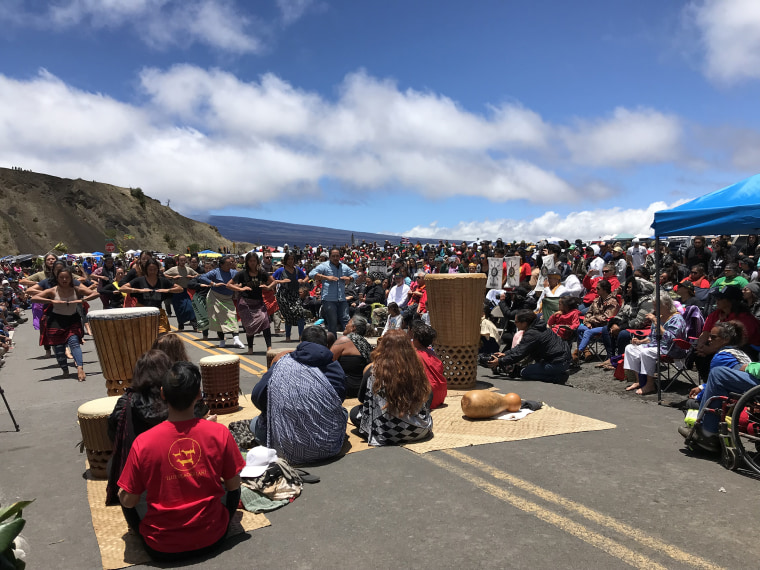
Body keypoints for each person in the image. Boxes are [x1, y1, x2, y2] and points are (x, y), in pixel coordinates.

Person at [118, 362, 244, 561]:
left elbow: (129, 500)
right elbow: (233, 485)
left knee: (125, 493)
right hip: (213, 538)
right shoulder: (219, 433)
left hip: (161, 547)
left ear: (163, 394)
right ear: (199, 395)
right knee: (234, 478)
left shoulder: (143, 442)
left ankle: (142, 533)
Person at [106, 349, 210, 505]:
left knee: (113, 466)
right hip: (185, 468)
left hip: (143, 479)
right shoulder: (177, 400)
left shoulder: (126, 402)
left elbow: (113, 433)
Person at [250, 326, 347, 463]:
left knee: (254, 423)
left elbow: (257, 396)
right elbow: (339, 399)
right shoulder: (334, 367)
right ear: (326, 345)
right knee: (343, 413)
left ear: (301, 342)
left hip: (286, 450)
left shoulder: (282, 364)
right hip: (328, 447)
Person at [350, 329, 433, 446]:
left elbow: (362, 398)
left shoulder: (373, 370)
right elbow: (428, 394)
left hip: (386, 431)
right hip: (420, 429)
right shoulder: (416, 367)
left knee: (354, 412)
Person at [30, 267, 98, 381]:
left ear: (71, 278)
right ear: (57, 279)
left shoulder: (76, 289)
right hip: (55, 321)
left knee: (74, 342)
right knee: (59, 348)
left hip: (72, 320)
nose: (64, 279)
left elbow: (95, 294)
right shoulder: (52, 290)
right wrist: (51, 301)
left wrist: (81, 300)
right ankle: (65, 370)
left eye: (67, 277)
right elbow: (34, 298)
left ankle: (80, 367)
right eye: (61, 277)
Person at [623, 294, 688, 395]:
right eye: (654, 305)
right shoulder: (658, 317)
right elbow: (651, 338)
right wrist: (640, 342)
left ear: (666, 305)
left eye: (656, 306)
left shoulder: (677, 319)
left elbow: (672, 339)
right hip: (656, 346)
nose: (654, 308)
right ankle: (639, 381)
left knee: (646, 352)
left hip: (672, 349)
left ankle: (650, 384)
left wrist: (657, 323)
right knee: (630, 348)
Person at [487, 310, 572, 384]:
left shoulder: (532, 333)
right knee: (528, 369)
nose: (515, 323)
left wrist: (500, 361)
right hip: (561, 359)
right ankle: (555, 372)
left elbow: (520, 353)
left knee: (525, 373)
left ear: (524, 323)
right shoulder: (539, 326)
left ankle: (558, 378)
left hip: (557, 363)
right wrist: (505, 354)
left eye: (516, 322)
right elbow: (520, 347)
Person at [227, 252, 275, 354]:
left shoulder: (262, 273)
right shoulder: (242, 274)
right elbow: (229, 285)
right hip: (245, 303)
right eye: (250, 261)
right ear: (247, 262)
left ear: (257, 262)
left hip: (259, 303)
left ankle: (269, 347)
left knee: (266, 321)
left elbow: (273, 282)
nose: (252, 263)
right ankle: (250, 348)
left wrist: (268, 287)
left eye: (254, 261)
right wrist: (240, 288)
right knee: (249, 325)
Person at [119, 259, 182, 333]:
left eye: (155, 269)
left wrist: (167, 290)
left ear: (158, 270)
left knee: (162, 334)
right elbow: (122, 288)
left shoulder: (162, 281)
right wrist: (138, 290)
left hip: (157, 312)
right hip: (142, 312)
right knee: (144, 335)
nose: (152, 272)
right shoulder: (139, 280)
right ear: (146, 270)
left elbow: (180, 288)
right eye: (150, 269)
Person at [197, 255, 244, 348]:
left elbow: (242, 279)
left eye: (230, 263)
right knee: (217, 319)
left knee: (232, 316)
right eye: (227, 264)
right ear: (221, 265)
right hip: (215, 296)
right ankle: (222, 340)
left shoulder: (234, 272)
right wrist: (214, 284)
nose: (229, 265)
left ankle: (236, 339)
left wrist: (238, 286)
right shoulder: (215, 272)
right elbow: (202, 277)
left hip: (228, 298)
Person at [308, 248, 357, 335]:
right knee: (332, 322)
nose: (335, 258)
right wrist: (326, 277)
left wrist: (349, 278)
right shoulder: (324, 266)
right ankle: (332, 344)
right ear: (329, 257)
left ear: (340, 257)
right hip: (329, 299)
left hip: (341, 299)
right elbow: (311, 274)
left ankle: (350, 342)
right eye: (333, 256)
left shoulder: (344, 267)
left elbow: (355, 274)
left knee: (346, 320)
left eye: (337, 256)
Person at [573, 279, 619, 364]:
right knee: (579, 328)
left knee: (588, 332)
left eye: (598, 289)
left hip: (605, 326)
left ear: (604, 290)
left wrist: (590, 320)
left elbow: (606, 318)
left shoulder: (612, 302)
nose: (595, 290)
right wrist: (587, 322)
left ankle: (578, 353)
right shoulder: (596, 300)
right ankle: (586, 352)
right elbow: (588, 313)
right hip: (592, 325)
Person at [330, 315, 373, 398]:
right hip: (362, 389)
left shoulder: (344, 340)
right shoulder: (365, 344)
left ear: (353, 327)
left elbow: (328, 361)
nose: (345, 325)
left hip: (345, 389)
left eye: (348, 323)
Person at [409, 320, 447, 409]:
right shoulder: (432, 353)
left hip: (426, 398)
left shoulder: (414, 355)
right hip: (440, 395)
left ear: (417, 340)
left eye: (413, 338)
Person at [272, 252, 309, 342]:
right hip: (284, 295)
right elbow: (271, 278)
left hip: (295, 294)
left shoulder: (297, 270)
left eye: (292, 259)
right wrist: (280, 281)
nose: (290, 261)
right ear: (286, 260)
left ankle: (301, 336)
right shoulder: (281, 270)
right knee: (288, 315)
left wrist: (303, 281)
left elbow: (306, 277)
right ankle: (288, 336)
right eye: (288, 259)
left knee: (300, 312)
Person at [163, 254, 199, 331]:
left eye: (184, 260)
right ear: (178, 261)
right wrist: (172, 277)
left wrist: (192, 277)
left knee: (190, 308)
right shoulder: (174, 269)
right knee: (178, 309)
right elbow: (163, 275)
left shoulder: (188, 269)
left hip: (185, 291)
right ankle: (181, 326)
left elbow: (198, 275)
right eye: (181, 260)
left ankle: (195, 326)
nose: (183, 262)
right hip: (176, 292)